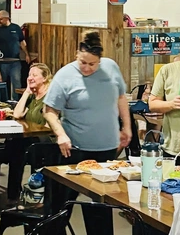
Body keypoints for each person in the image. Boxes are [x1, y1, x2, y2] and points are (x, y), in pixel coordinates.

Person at [44, 31, 132, 161]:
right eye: (83, 62)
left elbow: (121, 97)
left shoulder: (111, 67)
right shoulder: (64, 76)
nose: (86, 68)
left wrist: (127, 127)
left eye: (92, 64)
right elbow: (49, 111)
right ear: (77, 55)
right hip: (75, 147)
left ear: (100, 60)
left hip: (109, 145)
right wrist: (61, 135)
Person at [0, 10, 27, 98]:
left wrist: (27, 54)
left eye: (1, 19)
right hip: (1, 61)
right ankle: (3, 101)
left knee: (17, 83)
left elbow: (22, 42)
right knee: (2, 82)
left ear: (7, 18)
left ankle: (16, 102)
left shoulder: (16, 28)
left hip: (15, 60)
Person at [12, 63, 53, 130]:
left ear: (45, 78)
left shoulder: (51, 97)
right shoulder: (32, 96)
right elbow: (17, 114)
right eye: (29, 75)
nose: (30, 78)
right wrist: (27, 92)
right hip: (30, 135)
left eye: (34, 75)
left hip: (43, 137)